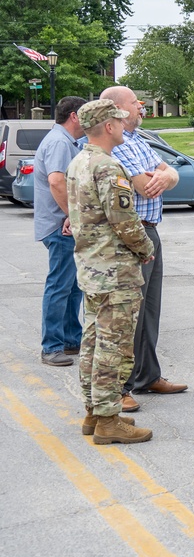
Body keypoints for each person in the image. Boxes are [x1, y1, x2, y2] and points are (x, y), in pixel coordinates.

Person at [66, 99, 155, 444]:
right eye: (118, 120)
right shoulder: (107, 167)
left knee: (93, 341)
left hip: (92, 267)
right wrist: (146, 249)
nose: (123, 124)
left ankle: (93, 411)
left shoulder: (79, 162)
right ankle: (107, 420)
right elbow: (124, 221)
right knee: (114, 346)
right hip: (115, 270)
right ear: (108, 126)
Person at [101, 86, 187, 411]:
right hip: (130, 236)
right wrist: (162, 177)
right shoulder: (114, 144)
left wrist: (167, 176)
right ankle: (121, 387)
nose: (142, 108)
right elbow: (142, 186)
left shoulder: (137, 140)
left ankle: (148, 375)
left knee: (151, 309)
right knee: (128, 315)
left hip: (152, 231)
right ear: (120, 110)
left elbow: (169, 173)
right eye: (137, 103)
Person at [34, 96, 86, 367]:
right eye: (86, 114)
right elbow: (56, 181)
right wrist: (71, 216)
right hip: (60, 227)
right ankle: (51, 346)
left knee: (72, 287)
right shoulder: (59, 142)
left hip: (62, 225)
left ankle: (70, 339)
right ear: (75, 116)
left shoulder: (67, 141)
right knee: (59, 286)